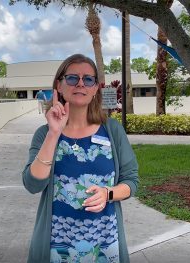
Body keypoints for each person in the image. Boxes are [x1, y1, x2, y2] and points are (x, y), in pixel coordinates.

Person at [22, 54, 139, 263]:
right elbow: (33, 184)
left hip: (104, 243)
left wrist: (108, 193)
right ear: (59, 84)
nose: (80, 84)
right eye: (72, 78)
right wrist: (53, 133)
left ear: (95, 89)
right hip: (57, 247)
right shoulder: (44, 134)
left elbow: (131, 181)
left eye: (88, 79)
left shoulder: (112, 131)